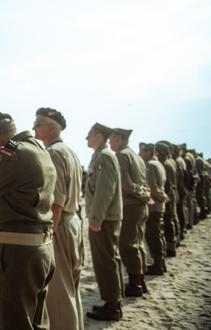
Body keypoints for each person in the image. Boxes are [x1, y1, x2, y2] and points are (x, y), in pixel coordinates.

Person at [0, 111, 56, 330]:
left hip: (18, 253)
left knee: (14, 323)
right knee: (36, 322)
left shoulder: (11, 155)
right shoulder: (37, 148)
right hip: (41, 248)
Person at [32, 107, 84, 330]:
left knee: (59, 295)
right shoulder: (69, 151)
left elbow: (56, 202)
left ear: (51, 128)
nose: (34, 128)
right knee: (72, 288)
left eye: (38, 124)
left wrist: (49, 234)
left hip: (60, 225)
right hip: (73, 222)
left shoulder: (53, 153)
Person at [84, 123, 124, 321]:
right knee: (108, 260)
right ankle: (113, 301)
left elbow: (104, 191)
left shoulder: (105, 156)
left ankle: (113, 306)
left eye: (89, 134)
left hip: (105, 219)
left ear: (99, 136)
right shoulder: (101, 155)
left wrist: (96, 219)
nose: (86, 137)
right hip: (106, 218)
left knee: (105, 261)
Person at [109, 128, 150, 297]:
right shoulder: (135, 155)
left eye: (112, 138)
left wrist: (142, 194)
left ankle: (135, 285)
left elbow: (126, 185)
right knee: (138, 243)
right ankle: (140, 281)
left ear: (120, 139)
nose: (110, 141)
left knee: (128, 245)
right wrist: (145, 194)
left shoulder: (121, 155)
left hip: (130, 205)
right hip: (139, 206)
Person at [139, 143, 168, 275]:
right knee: (158, 234)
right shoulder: (159, 164)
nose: (140, 153)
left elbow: (151, 187)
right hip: (158, 204)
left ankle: (158, 264)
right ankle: (161, 262)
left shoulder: (150, 165)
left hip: (153, 205)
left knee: (153, 235)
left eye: (142, 151)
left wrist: (160, 197)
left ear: (149, 152)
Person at [156, 141, 178, 257]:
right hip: (170, 195)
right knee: (170, 220)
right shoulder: (169, 163)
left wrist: (164, 197)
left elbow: (168, 184)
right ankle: (172, 245)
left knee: (168, 221)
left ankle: (170, 248)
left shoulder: (165, 164)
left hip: (168, 196)